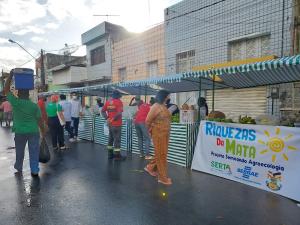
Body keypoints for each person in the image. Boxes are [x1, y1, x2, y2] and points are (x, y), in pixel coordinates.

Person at [3, 70, 45, 177]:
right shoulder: (34, 105)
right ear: (28, 94)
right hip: (33, 131)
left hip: (20, 132)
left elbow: (6, 89)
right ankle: (34, 170)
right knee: (34, 151)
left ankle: (19, 167)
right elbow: (39, 120)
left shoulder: (15, 102)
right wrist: (43, 131)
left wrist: (11, 75)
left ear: (19, 93)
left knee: (20, 152)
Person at [144, 90, 172, 185]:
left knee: (161, 154)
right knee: (162, 156)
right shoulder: (155, 106)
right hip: (159, 135)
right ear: (164, 96)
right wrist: (149, 133)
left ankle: (150, 167)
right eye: (168, 96)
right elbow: (147, 121)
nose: (169, 97)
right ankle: (162, 178)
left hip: (164, 134)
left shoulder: (163, 106)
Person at [101, 90, 124, 160]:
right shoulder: (119, 102)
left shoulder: (108, 102)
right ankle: (117, 156)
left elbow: (102, 111)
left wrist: (107, 118)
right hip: (117, 125)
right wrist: (113, 119)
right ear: (118, 96)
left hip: (110, 125)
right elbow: (119, 113)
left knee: (110, 139)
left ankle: (110, 154)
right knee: (117, 140)